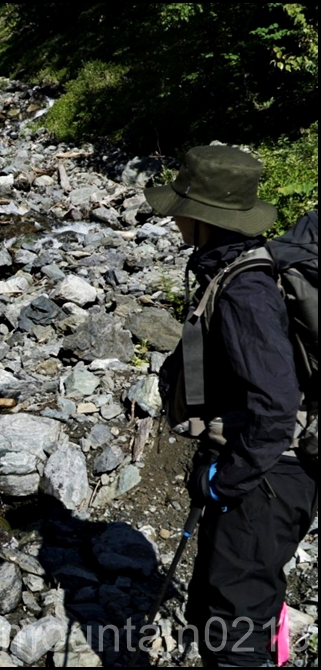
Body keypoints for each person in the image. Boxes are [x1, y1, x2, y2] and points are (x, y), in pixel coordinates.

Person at [144, 145, 318, 666]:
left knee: (232, 622)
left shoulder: (246, 289)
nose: (172, 217)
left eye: (179, 207)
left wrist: (228, 478)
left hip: (268, 478)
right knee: (222, 607)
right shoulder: (233, 268)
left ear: (202, 217)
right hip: (266, 473)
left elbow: (276, 401)